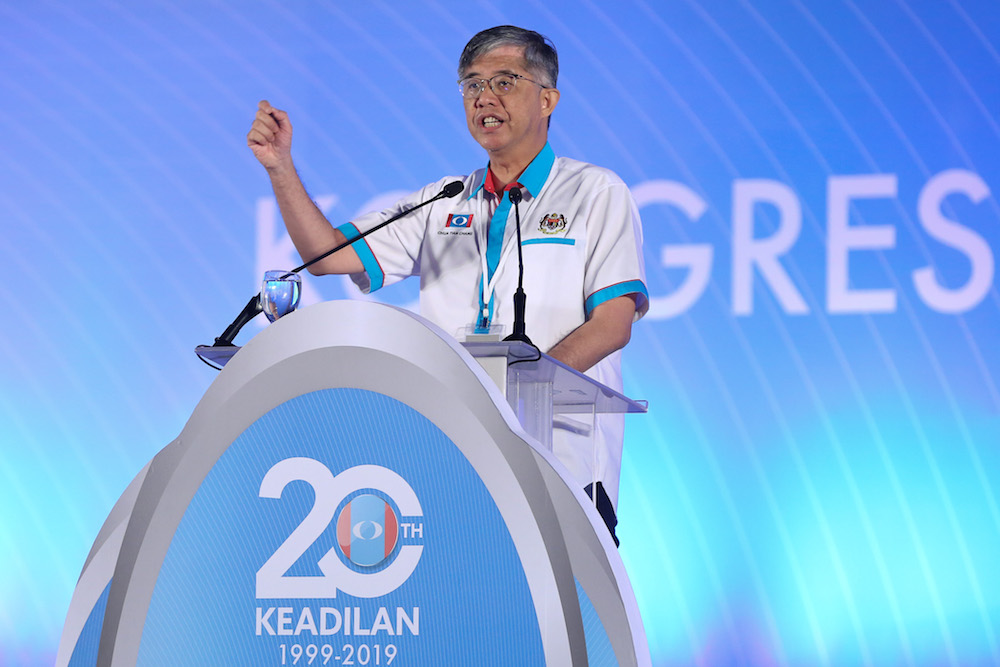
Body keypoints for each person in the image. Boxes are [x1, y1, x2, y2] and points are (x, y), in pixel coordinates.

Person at [247, 25, 647, 546]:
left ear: (548, 99)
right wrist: (280, 168)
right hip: (454, 462)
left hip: (561, 468)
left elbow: (612, 325)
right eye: (472, 84)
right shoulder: (445, 200)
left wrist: (510, 395)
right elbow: (325, 256)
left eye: (505, 81)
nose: (485, 97)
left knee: (558, 624)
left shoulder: (595, 192)